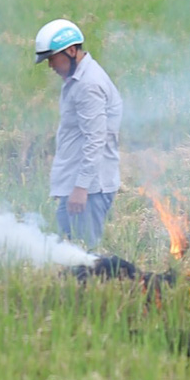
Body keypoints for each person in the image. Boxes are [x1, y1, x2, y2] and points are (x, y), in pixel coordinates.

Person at [34, 18, 123, 249]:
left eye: (53, 58)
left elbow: (96, 139)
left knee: (86, 254)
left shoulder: (88, 85)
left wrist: (81, 188)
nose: (51, 65)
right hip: (78, 185)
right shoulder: (78, 79)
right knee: (67, 249)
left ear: (72, 51)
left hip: (90, 189)